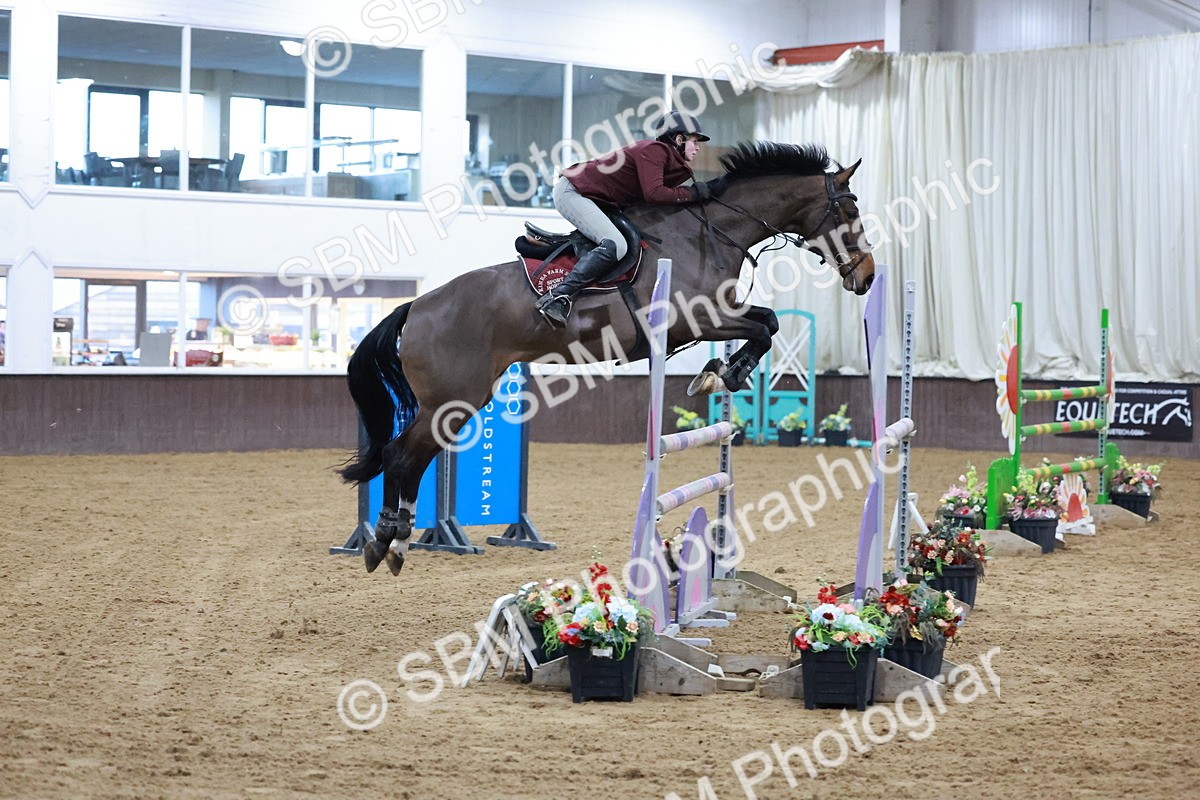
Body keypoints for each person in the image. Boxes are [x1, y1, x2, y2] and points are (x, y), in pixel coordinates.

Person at [534, 111, 728, 327]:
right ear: (679, 139)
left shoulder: (667, 160)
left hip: (597, 199)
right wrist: (691, 194)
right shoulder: (656, 151)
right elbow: (654, 194)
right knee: (616, 244)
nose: (698, 147)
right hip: (573, 192)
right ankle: (558, 297)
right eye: (694, 141)